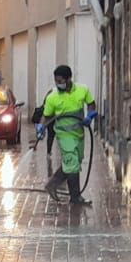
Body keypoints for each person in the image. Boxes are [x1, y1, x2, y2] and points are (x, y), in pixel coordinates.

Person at [35, 64, 97, 207]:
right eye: (56, 81)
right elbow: (46, 116)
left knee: (74, 162)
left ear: (69, 79)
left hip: (79, 133)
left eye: (61, 81)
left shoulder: (82, 90)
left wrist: (90, 115)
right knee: (72, 162)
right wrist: (41, 126)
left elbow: (92, 104)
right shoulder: (52, 97)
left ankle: (52, 184)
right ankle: (75, 198)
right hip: (64, 135)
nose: (59, 84)